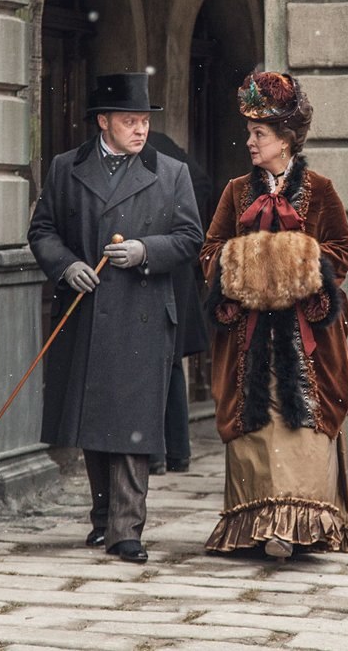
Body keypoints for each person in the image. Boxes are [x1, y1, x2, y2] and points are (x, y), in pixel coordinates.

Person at [27, 72, 204, 564]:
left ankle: (127, 529)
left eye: (144, 121)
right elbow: (42, 230)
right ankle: (103, 519)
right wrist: (67, 265)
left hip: (142, 314)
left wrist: (146, 249)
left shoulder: (171, 173)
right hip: (85, 310)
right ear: (103, 122)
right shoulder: (66, 168)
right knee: (94, 420)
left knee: (131, 422)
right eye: (129, 121)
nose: (140, 130)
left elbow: (192, 238)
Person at [201, 71, 348, 558]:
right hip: (248, 337)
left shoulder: (320, 189)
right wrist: (243, 265)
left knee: (304, 428)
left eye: (260, 134)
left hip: (306, 337)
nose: (250, 142)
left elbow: (342, 249)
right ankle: (257, 524)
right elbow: (210, 249)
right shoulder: (236, 192)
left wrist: (296, 263)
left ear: (285, 140)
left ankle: (301, 526)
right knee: (256, 427)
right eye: (250, 133)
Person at [143, 130, 213, 476]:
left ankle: (156, 452)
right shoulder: (163, 145)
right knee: (168, 363)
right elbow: (201, 182)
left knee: (156, 361)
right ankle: (176, 452)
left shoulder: (153, 150)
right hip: (177, 264)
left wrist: (172, 224)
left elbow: (199, 183)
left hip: (163, 266)